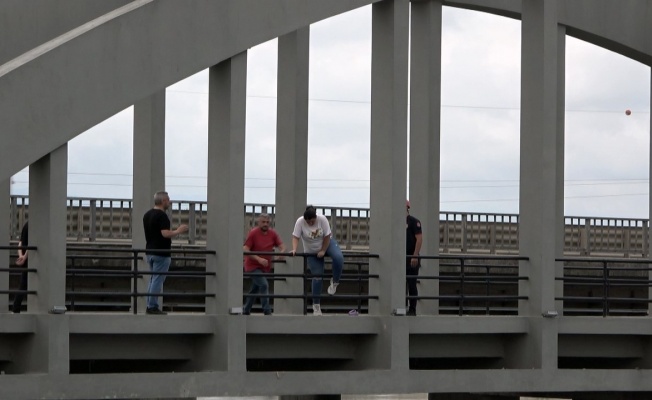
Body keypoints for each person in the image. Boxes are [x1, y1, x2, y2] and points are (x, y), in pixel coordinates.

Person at [291, 205, 344, 316]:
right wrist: (294, 249)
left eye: (312, 221)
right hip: (311, 250)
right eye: (308, 222)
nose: (310, 223)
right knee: (317, 276)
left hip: (326, 244)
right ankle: (316, 306)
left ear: (316, 217)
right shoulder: (300, 222)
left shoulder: (322, 219)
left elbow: (327, 236)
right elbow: (296, 237)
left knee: (338, 258)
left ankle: (335, 282)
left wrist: (323, 250)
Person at [142, 191, 188, 315]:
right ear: (163, 201)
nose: (169, 202)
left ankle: (149, 305)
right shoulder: (162, 216)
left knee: (153, 279)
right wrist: (178, 231)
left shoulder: (147, 215)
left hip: (150, 251)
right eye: (168, 200)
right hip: (161, 252)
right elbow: (165, 233)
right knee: (157, 280)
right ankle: (152, 306)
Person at [242, 213, 286, 315]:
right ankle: (267, 310)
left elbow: (282, 246)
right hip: (252, 266)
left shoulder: (273, 234)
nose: (265, 224)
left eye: (267, 222)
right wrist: (258, 259)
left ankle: (246, 310)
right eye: (263, 222)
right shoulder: (253, 233)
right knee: (264, 284)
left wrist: (282, 252)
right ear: (259, 223)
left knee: (255, 289)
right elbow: (245, 249)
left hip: (265, 267)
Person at [406, 200, 423, 316]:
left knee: (412, 283)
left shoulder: (413, 222)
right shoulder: (397, 222)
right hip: (401, 257)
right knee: (398, 283)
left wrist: (415, 255)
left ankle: (412, 309)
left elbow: (419, 239)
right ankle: (400, 307)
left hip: (411, 257)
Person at [12, 221, 29, 313]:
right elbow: (32, 245)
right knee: (24, 284)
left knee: (23, 284)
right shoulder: (34, 226)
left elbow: (20, 243)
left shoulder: (26, 225)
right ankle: (16, 308)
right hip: (30, 260)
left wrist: (21, 256)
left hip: (25, 260)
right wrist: (24, 257)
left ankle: (16, 308)